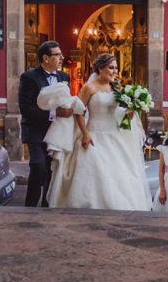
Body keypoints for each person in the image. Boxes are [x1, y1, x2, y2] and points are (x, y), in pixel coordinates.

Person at [50, 53, 152, 210]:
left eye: (116, 68)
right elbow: (78, 112)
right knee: (95, 171)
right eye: (111, 68)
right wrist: (85, 134)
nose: (114, 71)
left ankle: (118, 204)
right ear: (100, 68)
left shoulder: (116, 88)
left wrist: (131, 112)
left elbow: (120, 114)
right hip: (94, 135)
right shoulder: (89, 88)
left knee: (119, 173)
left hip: (116, 136)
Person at [18, 41, 73, 207]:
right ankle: (30, 205)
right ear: (45, 58)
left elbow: (65, 101)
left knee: (52, 170)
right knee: (38, 166)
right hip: (36, 131)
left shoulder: (64, 77)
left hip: (57, 132)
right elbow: (26, 108)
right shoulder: (29, 77)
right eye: (57, 55)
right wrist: (55, 113)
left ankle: (47, 205)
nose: (62, 58)